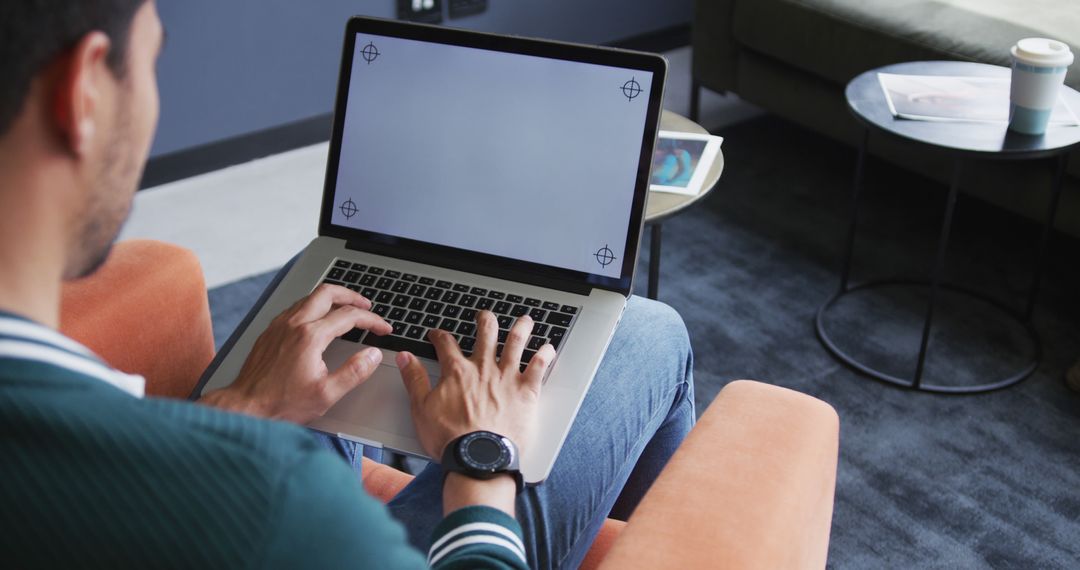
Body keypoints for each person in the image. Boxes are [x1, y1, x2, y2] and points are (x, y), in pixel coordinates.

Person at [0, 1, 695, 568]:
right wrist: (483, 457)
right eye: (153, 59)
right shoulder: (281, 505)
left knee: (318, 301)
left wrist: (240, 411)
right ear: (83, 90)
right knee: (649, 331)